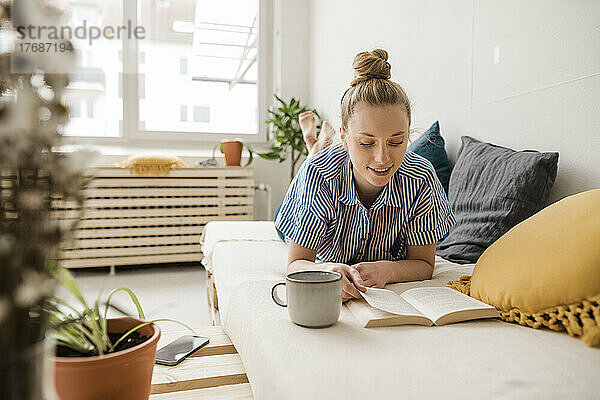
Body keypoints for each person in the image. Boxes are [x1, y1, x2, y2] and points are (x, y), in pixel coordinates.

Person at [274, 49, 455, 302]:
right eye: (367, 143)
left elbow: (424, 264)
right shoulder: (318, 174)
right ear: (345, 137)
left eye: (396, 142)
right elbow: (297, 264)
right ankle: (316, 147)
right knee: (283, 223)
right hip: (305, 200)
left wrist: (389, 270)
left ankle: (318, 144)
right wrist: (325, 269)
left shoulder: (421, 177)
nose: (383, 159)